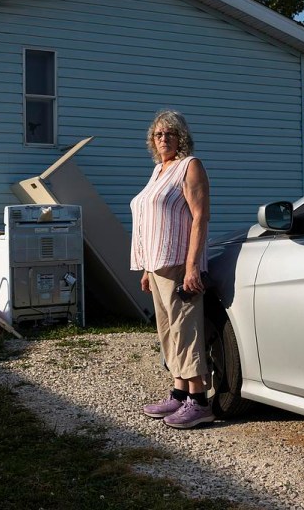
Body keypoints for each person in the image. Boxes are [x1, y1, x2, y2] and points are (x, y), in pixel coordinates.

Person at [130, 109, 214, 429]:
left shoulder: (189, 167)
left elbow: (200, 217)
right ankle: (179, 394)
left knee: (186, 331)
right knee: (168, 333)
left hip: (179, 263)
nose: (163, 138)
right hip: (156, 265)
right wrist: (146, 267)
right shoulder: (157, 171)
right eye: (158, 134)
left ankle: (199, 401)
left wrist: (192, 266)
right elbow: (153, 219)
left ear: (182, 137)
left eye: (170, 133)